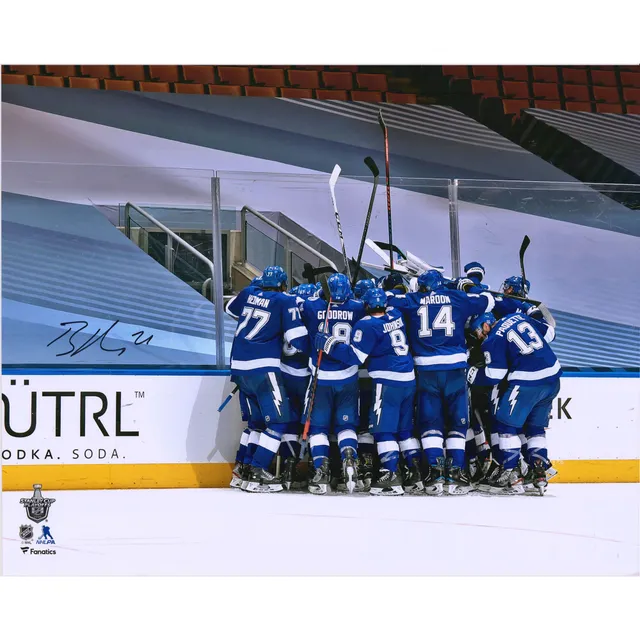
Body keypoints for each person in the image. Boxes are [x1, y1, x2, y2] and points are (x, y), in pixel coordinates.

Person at [386, 269, 494, 495]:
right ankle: (456, 474)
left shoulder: (412, 300)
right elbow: (489, 300)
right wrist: (467, 285)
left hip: (426, 370)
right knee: (458, 423)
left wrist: (399, 287)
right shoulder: (457, 297)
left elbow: (386, 300)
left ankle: (435, 474)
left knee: (430, 423)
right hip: (455, 370)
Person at [315, 287, 418, 495]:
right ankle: (414, 475)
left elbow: (355, 357)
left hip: (388, 381)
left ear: (368, 305)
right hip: (409, 378)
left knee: (383, 430)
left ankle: (391, 476)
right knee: (405, 429)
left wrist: (330, 345)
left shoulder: (366, 324)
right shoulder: (395, 314)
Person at [226, 266, 309, 493]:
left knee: (257, 423)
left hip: (239, 368)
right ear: (283, 284)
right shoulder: (284, 300)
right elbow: (296, 339)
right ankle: (258, 472)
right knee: (280, 422)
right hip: (263, 369)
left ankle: (242, 469)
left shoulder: (248, 293)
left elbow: (230, 309)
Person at [467, 309, 560, 496]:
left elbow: (495, 374)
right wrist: (538, 311)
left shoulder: (493, 339)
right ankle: (539, 468)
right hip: (553, 379)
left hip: (527, 383)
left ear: (485, 324)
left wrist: (471, 374)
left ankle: (509, 471)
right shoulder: (517, 317)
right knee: (535, 428)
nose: (479, 337)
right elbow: (550, 332)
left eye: (478, 331)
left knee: (505, 425)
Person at [301, 273, 365, 494]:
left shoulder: (311, 306)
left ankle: (321, 472)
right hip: (348, 377)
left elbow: (306, 302)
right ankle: (349, 460)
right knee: (346, 426)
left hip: (321, 377)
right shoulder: (358, 307)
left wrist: (320, 294)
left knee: (318, 429)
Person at [279, 283, 317, 490]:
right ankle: (314, 466)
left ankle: (289, 464)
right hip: (306, 377)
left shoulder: (286, 310)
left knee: (290, 422)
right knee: (314, 423)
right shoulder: (313, 312)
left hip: (284, 374)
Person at [352, 278, 377, 489]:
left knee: (360, 425)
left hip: (356, 376)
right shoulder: (388, 315)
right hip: (379, 376)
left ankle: (365, 467)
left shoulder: (356, 314)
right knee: (373, 424)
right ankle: (372, 467)